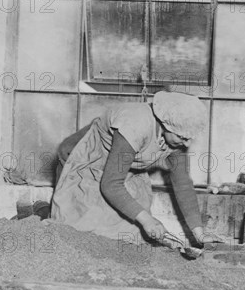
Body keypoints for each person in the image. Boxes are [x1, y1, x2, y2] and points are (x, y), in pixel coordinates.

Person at [51, 91, 220, 246]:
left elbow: (183, 185)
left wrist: (198, 233)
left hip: (117, 168)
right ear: (166, 125)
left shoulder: (175, 138)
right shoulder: (135, 124)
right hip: (85, 160)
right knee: (76, 229)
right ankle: (41, 212)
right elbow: (111, 185)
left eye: (189, 138)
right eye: (182, 137)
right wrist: (147, 220)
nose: (187, 143)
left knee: (126, 233)